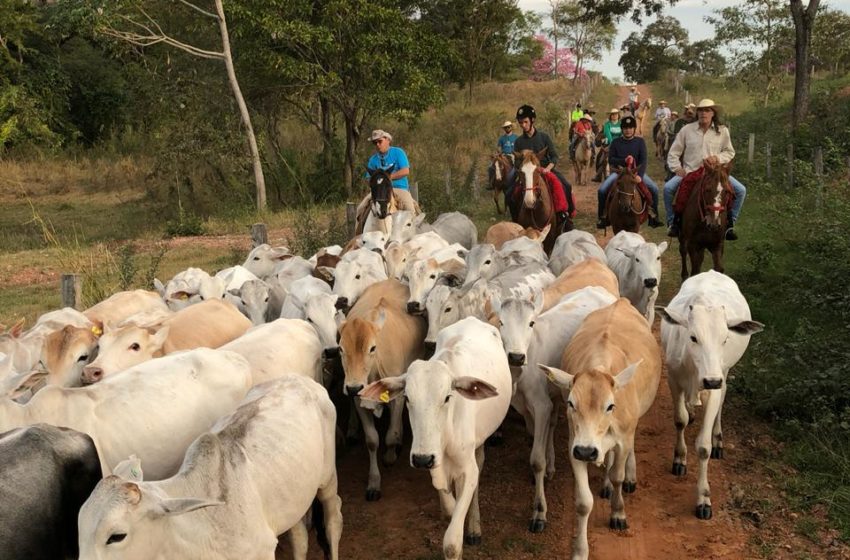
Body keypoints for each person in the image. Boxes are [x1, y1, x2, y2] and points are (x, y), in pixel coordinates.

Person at [664, 99, 746, 241]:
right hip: (690, 171)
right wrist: (677, 168)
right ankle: (673, 223)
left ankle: (730, 223)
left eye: (707, 110)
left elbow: (729, 152)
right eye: (701, 110)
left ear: (713, 113)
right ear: (697, 113)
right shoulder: (686, 130)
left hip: (714, 173)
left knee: (740, 190)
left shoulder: (722, 131)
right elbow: (674, 152)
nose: (703, 113)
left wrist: (717, 158)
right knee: (667, 188)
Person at [513, 104, 575, 230]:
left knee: (566, 186)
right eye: (520, 123)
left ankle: (565, 216)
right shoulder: (518, 142)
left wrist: (547, 169)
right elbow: (516, 163)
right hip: (527, 173)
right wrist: (522, 171)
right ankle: (515, 219)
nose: (523, 125)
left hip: (546, 170)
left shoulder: (544, 137)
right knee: (511, 192)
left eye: (525, 122)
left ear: (532, 120)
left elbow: (554, 157)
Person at [596, 116, 662, 229]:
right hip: (619, 173)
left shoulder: (640, 142)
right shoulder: (616, 142)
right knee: (602, 190)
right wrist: (624, 160)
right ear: (622, 129)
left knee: (654, 189)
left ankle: (653, 216)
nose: (628, 130)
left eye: (631, 128)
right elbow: (611, 159)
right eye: (626, 128)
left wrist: (639, 176)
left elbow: (644, 160)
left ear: (634, 129)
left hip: (635, 173)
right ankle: (603, 217)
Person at [359, 129, 418, 220]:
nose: (377, 145)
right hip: (378, 192)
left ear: (387, 140)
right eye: (375, 143)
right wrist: (376, 183)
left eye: (380, 141)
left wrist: (388, 177)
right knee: (360, 208)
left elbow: (405, 171)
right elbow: (368, 178)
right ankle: (357, 232)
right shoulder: (373, 160)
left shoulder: (398, 152)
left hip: (399, 188)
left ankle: (415, 228)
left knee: (410, 209)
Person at [488, 121, 517, 189]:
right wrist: (498, 153)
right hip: (503, 155)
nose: (507, 128)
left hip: (512, 155)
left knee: (517, 166)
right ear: (504, 129)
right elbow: (499, 148)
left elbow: (518, 147)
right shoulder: (502, 138)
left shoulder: (516, 137)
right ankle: (491, 183)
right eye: (505, 127)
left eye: (508, 127)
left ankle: (517, 182)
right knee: (491, 166)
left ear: (511, 127)